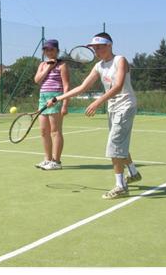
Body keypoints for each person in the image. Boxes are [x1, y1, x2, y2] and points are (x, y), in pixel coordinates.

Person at [47, 33, 141, 198]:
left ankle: (120, 186)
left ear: (109, 46)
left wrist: (97, 102)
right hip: (113, 108)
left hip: (125, 106)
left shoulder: (120, 60)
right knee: (119, 142)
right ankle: (133, 173)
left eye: (99, 47)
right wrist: (57, 98)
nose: (96, 50)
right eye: (94, 48)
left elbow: (118, 86)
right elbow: (82, 87)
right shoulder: (99, 66)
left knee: (114, 146)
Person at [34, 39, 70, 170]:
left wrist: (65, 104)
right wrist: (48, 67)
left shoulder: (62, 65)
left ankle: (56, 161)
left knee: (55, 131)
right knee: (44, 131)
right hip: (42, 98)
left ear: (57, 50)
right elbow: (37, 80)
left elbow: (66, 86)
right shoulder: (42, 65)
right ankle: (47, 159)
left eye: (51, 49)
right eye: (46, 50)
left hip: (56, 98)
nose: (49, 52)